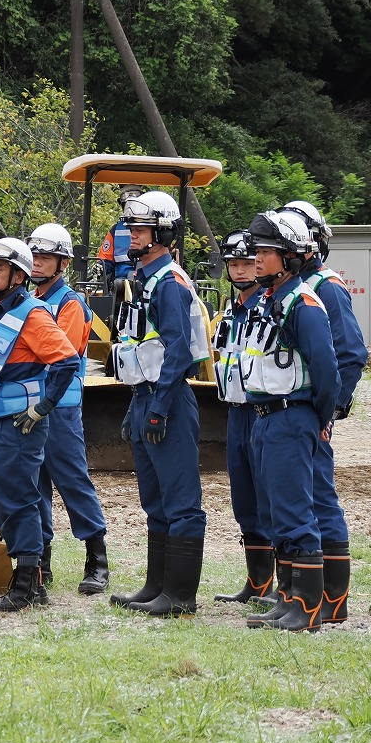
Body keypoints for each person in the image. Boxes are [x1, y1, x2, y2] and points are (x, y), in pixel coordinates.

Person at [109, 191, 210, 617]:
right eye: (131, 227)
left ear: (163, 233)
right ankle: (157, 585)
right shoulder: (145, 279)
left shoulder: (169, 283)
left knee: (181, 499)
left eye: (140, 228)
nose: (131, 235)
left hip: (167, 399)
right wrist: (141, 406)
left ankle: (181, 596)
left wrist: (160, 407)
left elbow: (178, 353)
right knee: (155, 498)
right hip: (145, 395)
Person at [241, 211, 338, 632]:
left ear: (290, 258)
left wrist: (318, 419)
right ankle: (288, 599)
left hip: (291, 417)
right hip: (265, 417)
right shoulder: (270, 299)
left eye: (266, 252)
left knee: (297, 512)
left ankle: (308, 608)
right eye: (258, 250)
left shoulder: (305, 304)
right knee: (277, 512)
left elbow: (329, 370)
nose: (257, 258)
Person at [0, 238, 79, 612]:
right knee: (3, 498)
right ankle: (31, 584)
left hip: (19, 425)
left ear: (18, 276)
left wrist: (44, 407)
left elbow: (67, 361)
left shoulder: (32, 314)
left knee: (19, 499)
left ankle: (27, 588)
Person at [280, 199, 366, 623]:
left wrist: (329, 414)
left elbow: (350, 355)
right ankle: (299, 592)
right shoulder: (292, 286)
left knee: (320, 499)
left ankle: (334, 597)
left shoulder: (326, 287)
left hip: (314, 415)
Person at [27, 222, 110, 594]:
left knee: (72, 480)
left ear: (62, 263)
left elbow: (56, 355)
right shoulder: (30, 300)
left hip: (59, 407)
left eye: (46, 257)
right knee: (34, 483)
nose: (37, 263)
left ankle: (97, 559)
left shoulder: (70, 303)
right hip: (30, 403)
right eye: (34, 256)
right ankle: (40, 561)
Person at [209, 230, 273, 604]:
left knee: (270, 496)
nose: (240, 269)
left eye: (247, 262)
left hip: (262, 411)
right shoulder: (230, 309)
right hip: (235, 412)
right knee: (244, 499)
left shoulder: (267, 305)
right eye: (233, 263)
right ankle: (258, 581)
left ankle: (288, 585)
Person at [97, 184, 144, 287]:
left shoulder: (153, 229)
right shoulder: (115, 230)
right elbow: (106, 258)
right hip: (120, 283)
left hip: (146, 278)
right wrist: (101, 267)